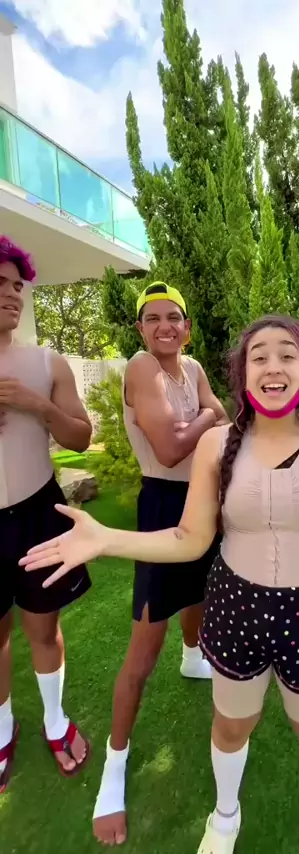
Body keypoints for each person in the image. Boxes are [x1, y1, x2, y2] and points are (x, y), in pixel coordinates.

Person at [20, 315, 299, 854]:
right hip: (237, 608)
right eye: (259, 357)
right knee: (231, 726)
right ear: (243, 375)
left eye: (287, 355)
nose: (273, 366)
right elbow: (190, 539)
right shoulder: (216, 445)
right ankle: (225, 816)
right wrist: (107, 540)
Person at [91, 281, 228, 845]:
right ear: (140, 328)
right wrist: (205, 420)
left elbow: (220, 412)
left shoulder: (191, 367)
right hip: (164, 503)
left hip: (204, 496)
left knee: (203, 590)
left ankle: (194, 658)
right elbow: (170, 451)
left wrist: (202, 418)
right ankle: (114, 767)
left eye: (174, 317)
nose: (165, 326)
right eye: (153, 318)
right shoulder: (141, 367)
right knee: (144, 648)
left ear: (187, 328)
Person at [0, 236, 92, 793]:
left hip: (36, 513)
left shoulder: (45, 363)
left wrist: (35, 405)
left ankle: (55, 722)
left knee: (43, 628)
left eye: (17, 286)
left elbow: (80, 436)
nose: (13, 294)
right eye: (0, 284)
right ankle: (2, 729)